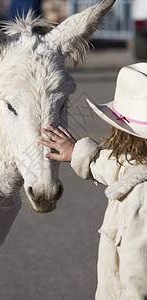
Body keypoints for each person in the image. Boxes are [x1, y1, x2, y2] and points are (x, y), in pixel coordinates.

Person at [38, 62, 147, 300]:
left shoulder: (141, 197)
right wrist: (80, 152)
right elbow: (122, 169)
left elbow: (138, 285)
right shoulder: (138, 172)